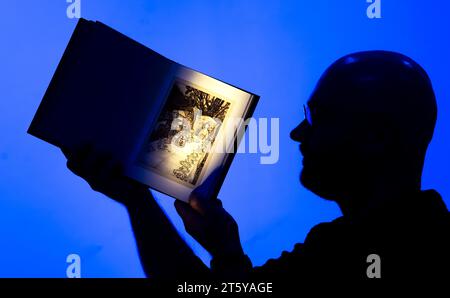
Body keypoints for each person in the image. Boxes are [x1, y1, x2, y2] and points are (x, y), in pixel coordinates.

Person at [62, 51, 449, 283]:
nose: (297, 133)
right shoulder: (342, 244)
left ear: (376, 139)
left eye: (320, 118)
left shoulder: (366, 252)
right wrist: (226, 251)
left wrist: (138, 201)